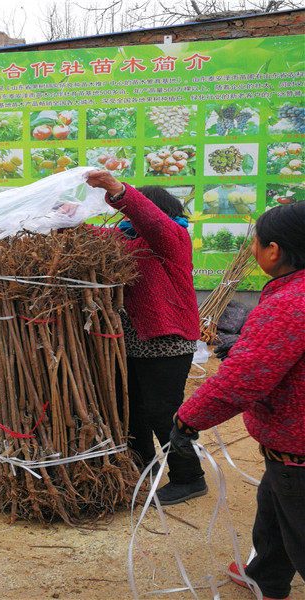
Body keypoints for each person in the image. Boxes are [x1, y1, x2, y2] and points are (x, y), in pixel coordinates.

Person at [170, 201, 305, 600]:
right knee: (274, 506)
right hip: (288, 448)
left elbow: (244, 379)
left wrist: (188, 419)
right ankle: (266, 577)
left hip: (297, 446)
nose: (253, 250)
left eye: (257, 243)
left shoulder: (289, 304)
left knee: (296, 515)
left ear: (274, 251)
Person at [86, 169, 206, 505]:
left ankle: (189, 477)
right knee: (132, 409)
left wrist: (118, 190)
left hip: (168, 342)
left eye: (133, 209)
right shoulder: (125, 239)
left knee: (162, 411)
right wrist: (67, 219)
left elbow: (151, 222)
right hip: (132, 341)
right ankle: (143, 469)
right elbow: (92, 236)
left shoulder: (172, 238)